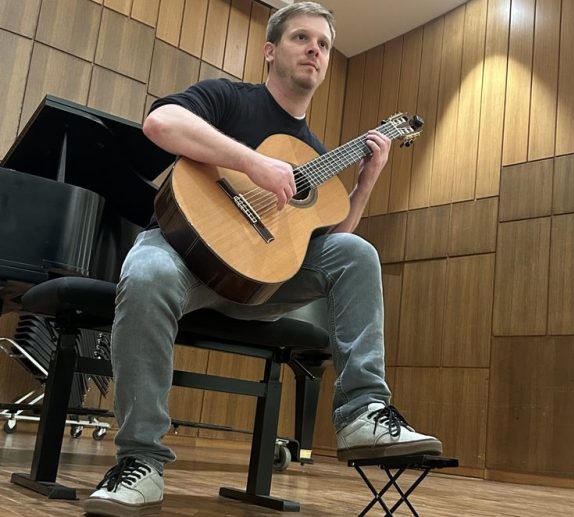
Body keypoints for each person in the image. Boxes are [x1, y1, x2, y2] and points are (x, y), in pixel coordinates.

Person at [82, 2, 442, 515]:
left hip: (260, 284)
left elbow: (327, 238)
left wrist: (364, 184)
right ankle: (141, 462)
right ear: (271, 51)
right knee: (146, 273)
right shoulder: (228, 97)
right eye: (302, 38)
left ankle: (363, 410)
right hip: (183, 252)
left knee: (356, 251)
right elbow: (160, 124)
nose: (315, 50)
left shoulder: (315, 153)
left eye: (323, 44)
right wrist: (254, 163)